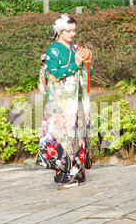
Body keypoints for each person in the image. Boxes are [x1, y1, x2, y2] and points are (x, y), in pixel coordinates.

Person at [36, 13, 93, 190]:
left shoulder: (76, 48)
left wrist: (86, 61)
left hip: (75, 101)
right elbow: (53, 74)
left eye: (74, 31)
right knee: (64, 135)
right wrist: (75, 64)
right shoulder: (53, 50)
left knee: (77, 134)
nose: (72, 34)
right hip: (61, 104)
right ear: (60, 31)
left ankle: (77, 173)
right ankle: (65, 177)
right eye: (69, 31)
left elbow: (85, 70)